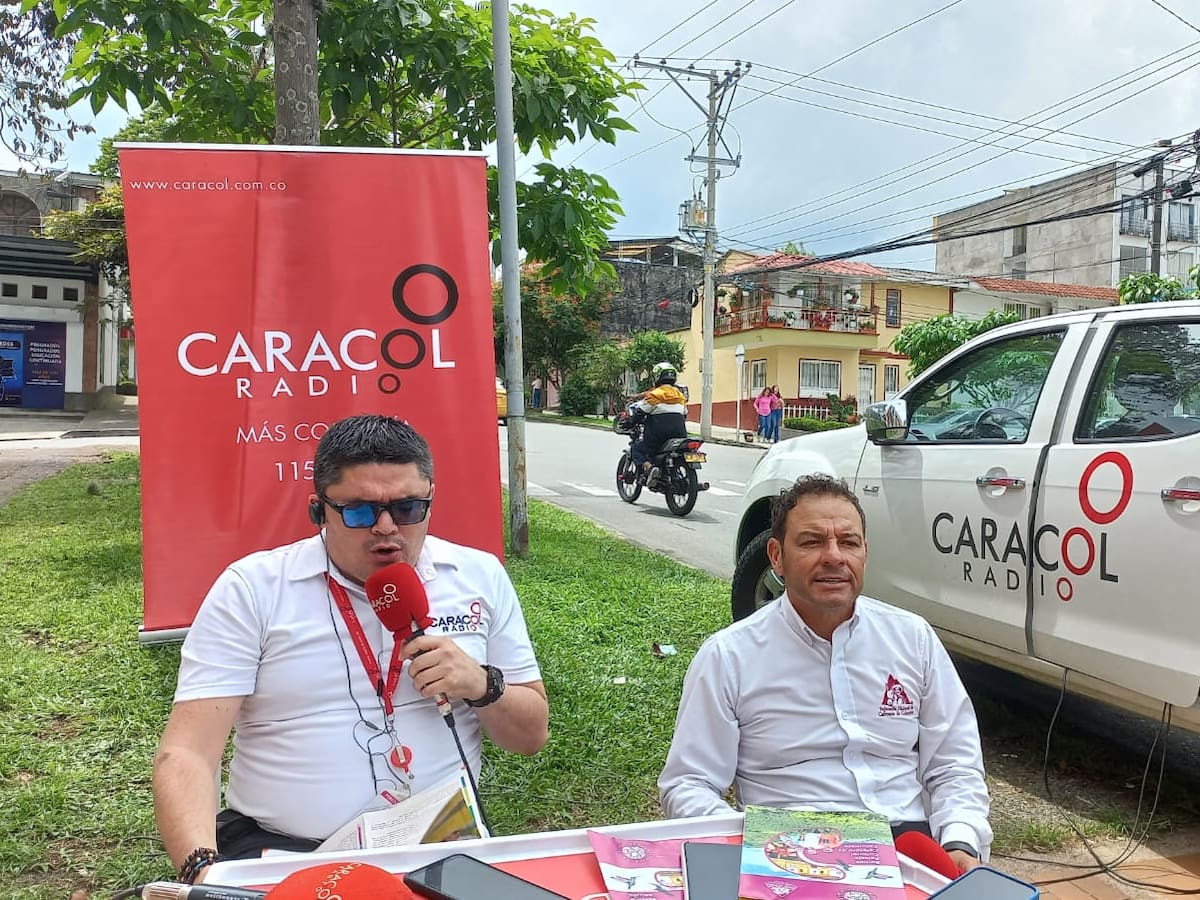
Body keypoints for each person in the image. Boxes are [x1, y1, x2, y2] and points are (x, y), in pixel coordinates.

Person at [153, 414, 549, 883]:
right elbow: (188, 753)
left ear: (430, 500)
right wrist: (203, 871)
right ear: (318, 509)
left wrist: (482, 684)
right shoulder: (253, 588)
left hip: (439, 850)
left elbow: (530, 736)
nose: (385, 528)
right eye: (360, 511)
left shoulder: (478, 576)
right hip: (286, 853)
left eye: (406, 508)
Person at [658, 474, 991, 874]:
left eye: (848, 542)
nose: (834, 556)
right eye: (812, 542)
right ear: (777, 556)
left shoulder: (912, 637)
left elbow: (954, 763)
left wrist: (960, 839)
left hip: (907, 846)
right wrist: (749, 846)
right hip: (790, 852)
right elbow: (688, 784)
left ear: (865, 552)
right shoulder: (730, 656)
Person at [629, 362, 689, 486]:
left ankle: (650, 468)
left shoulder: (655, 395)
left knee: (636, 448)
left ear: (657, 377)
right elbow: (684, 413)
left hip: (658, 437)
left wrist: (631, 422)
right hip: (680, 435)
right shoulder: (680, 396)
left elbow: (640, 412)